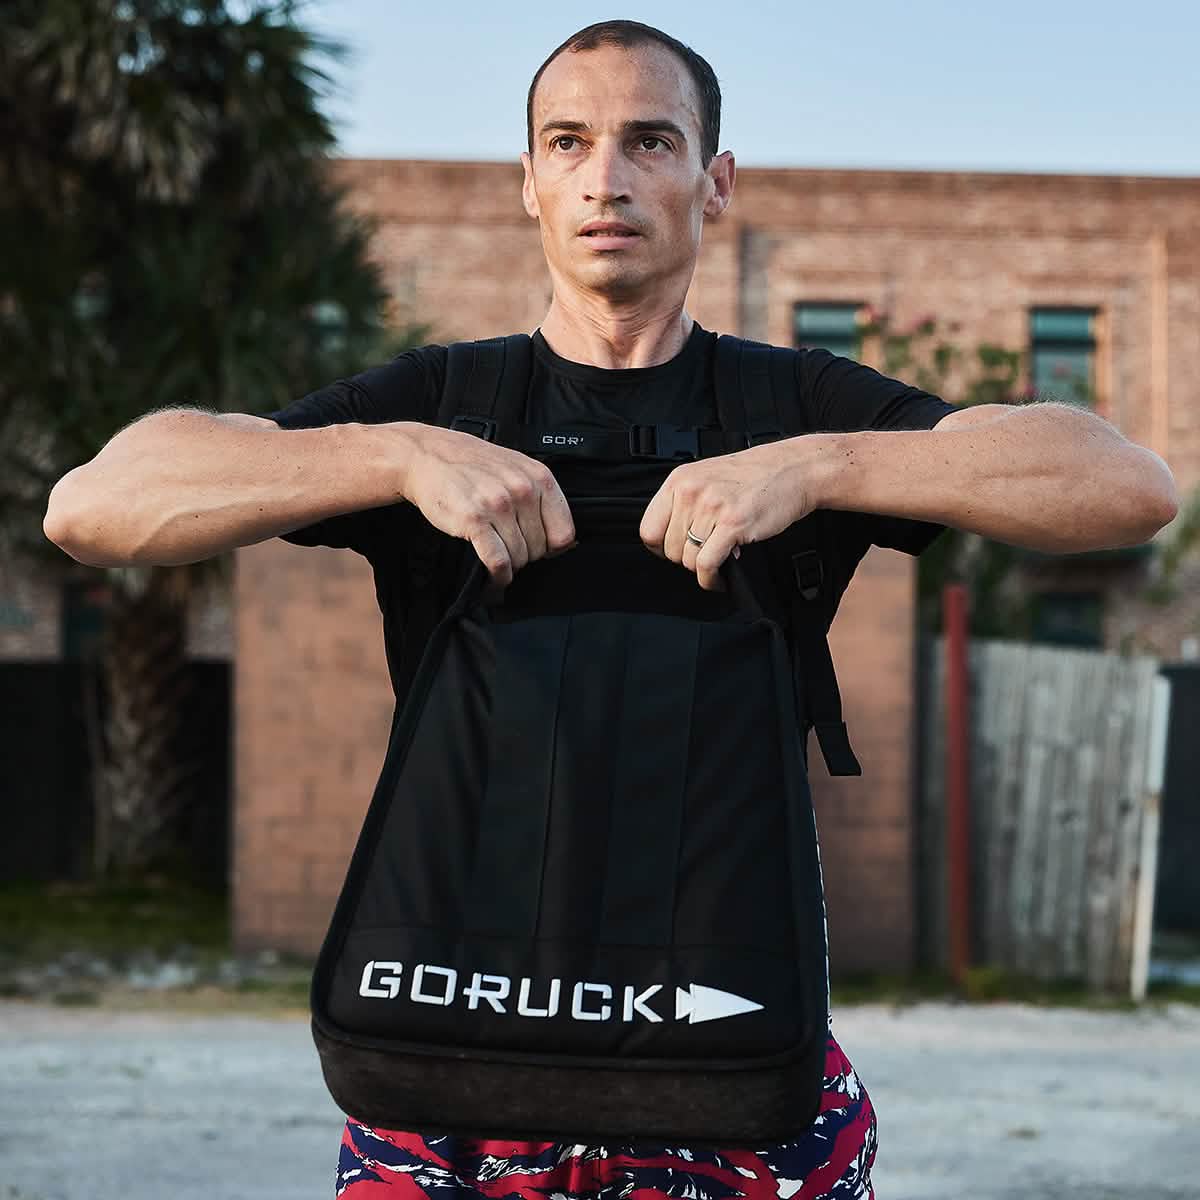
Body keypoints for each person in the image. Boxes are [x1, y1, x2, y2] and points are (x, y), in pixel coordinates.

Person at [45, 19, 1178, 1200]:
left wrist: (820, 467)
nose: (606, 176)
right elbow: (96, 508)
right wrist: (393, 458)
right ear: (528, 182)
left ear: (714, 179)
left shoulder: (793, 404)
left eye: (650, 140)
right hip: (449, 1076)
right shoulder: (440, 404)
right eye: (569, 142)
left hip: (738, 1064)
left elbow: (1124, 489)